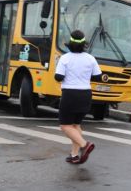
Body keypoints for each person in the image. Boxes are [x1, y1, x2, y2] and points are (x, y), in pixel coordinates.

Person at [55, 30, 102, 164]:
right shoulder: (90, 58)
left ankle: (84, 145)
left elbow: (58, 77)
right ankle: (74, 155)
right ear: (83, 44)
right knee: (75, 125)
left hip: (70, 94)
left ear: (70, 44)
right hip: (85, 95)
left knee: (65, 126)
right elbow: (98, 76)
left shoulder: (65, 58)